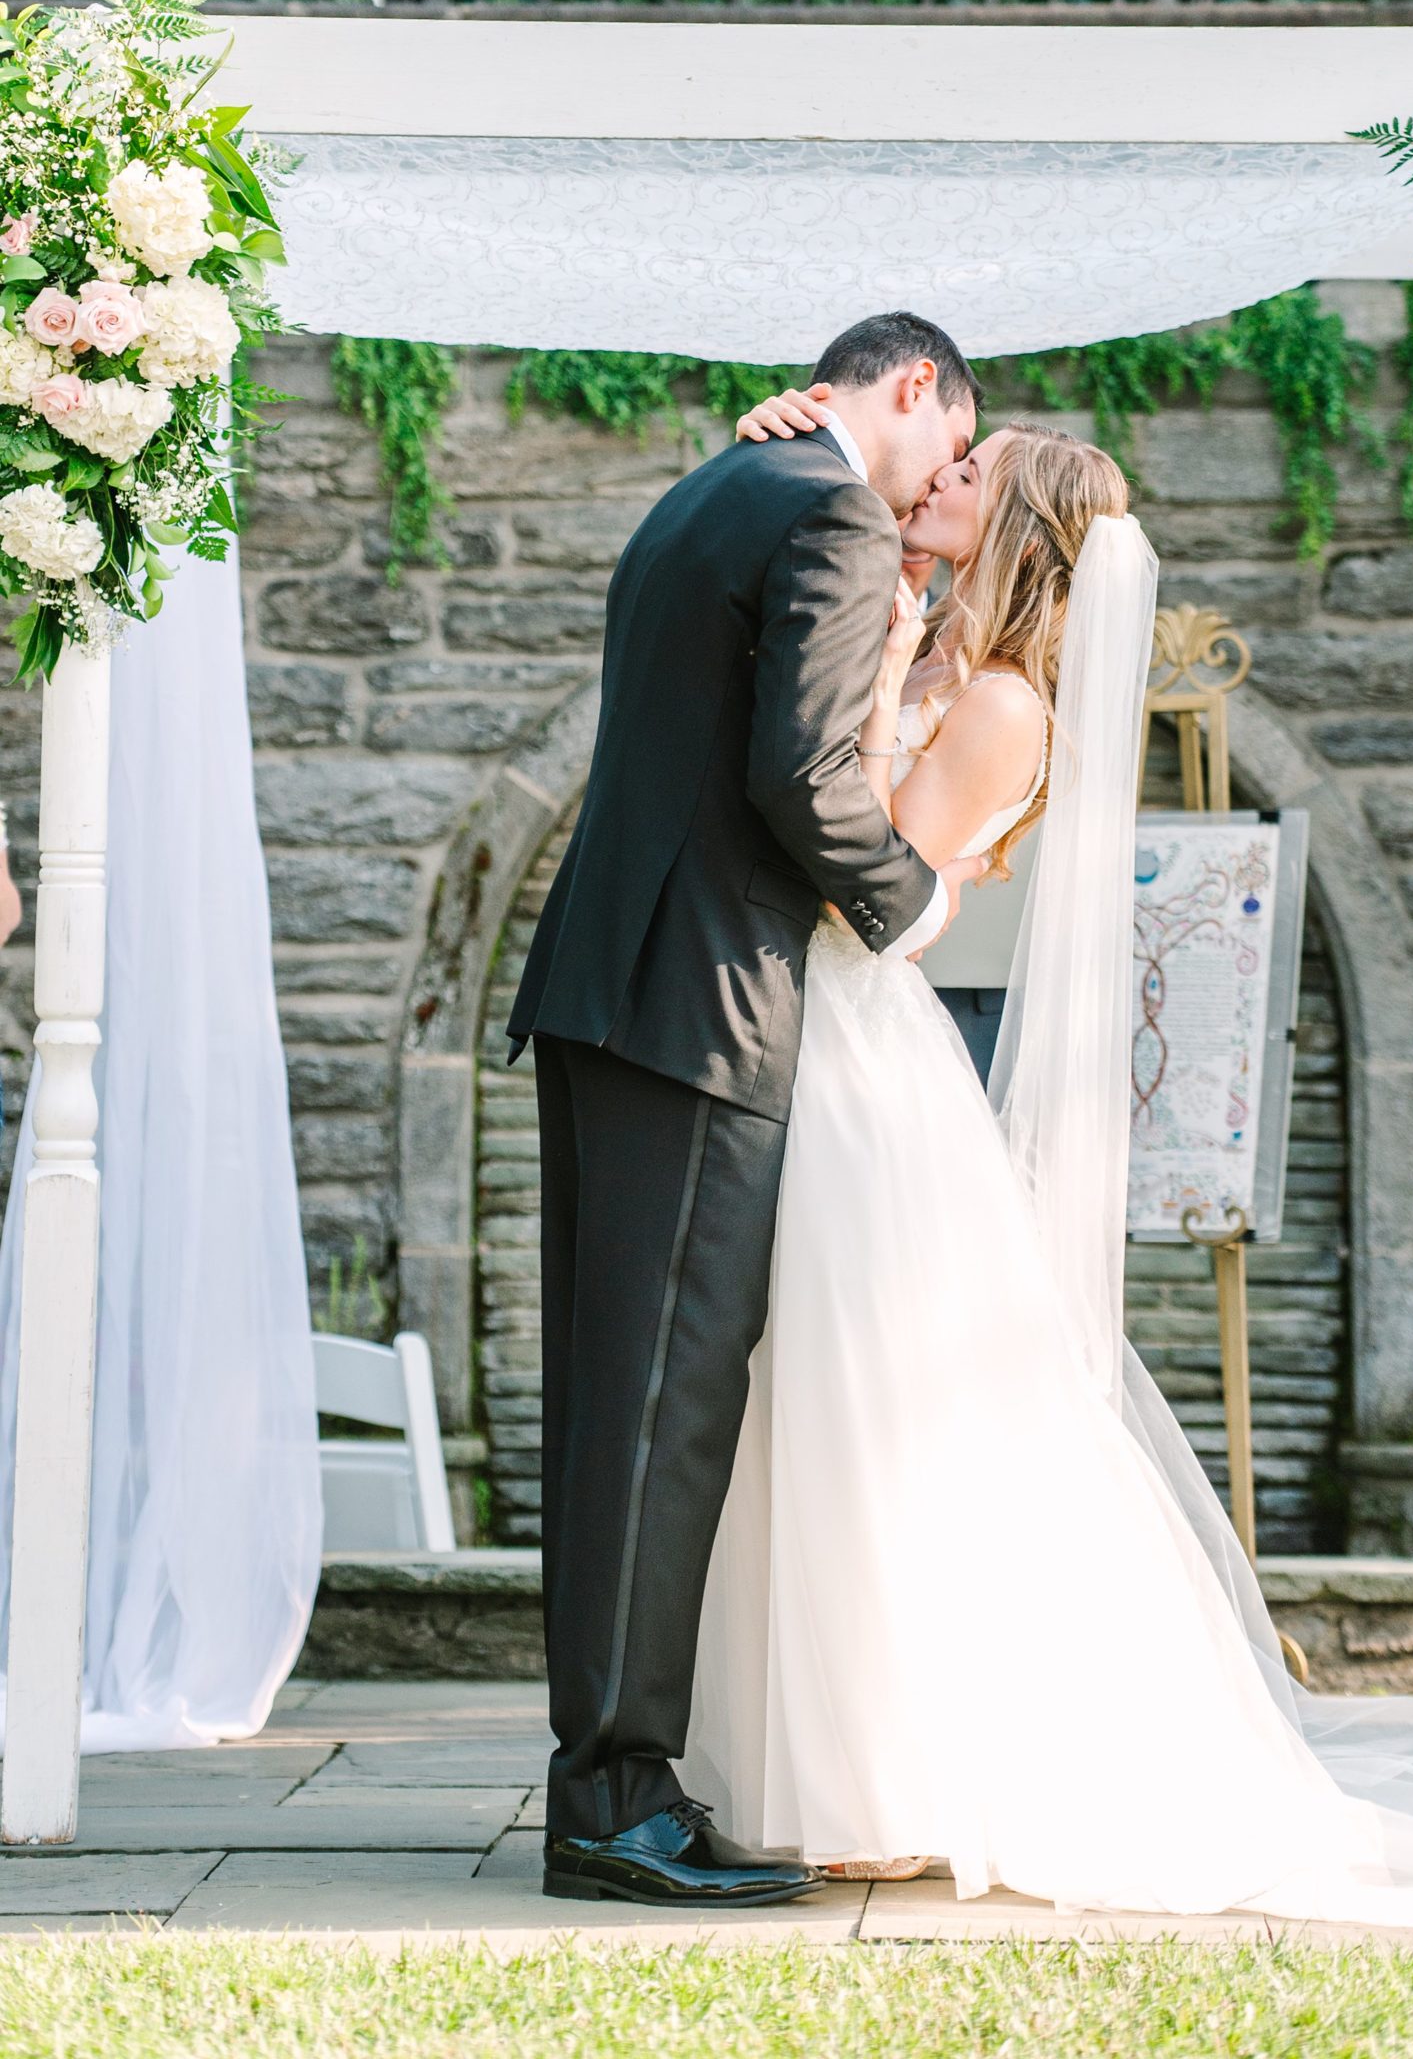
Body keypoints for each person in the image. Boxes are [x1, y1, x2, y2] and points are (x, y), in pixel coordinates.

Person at [675, 377, 1413, 1925]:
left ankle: (894, 1773)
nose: (944, 470)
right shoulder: (938, 638)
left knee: (864, 1401)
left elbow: (869, 873)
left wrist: (878, 676)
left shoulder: (1009, 700)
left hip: (863, 1057)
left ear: (1011, 521)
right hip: (831, 1052)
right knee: (812, 1404)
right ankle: (836, 1766)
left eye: (975, 469)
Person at [506, 312, 983, 1908]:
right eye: (951, 438)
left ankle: (608, 1777)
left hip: (608, 982)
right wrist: (912, 909)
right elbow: (800, 773)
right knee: (665, 1408)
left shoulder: (712, 487)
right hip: (705, 1001)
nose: (939, 483)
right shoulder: (831, 506)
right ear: (910, 384)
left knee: (613, 1403)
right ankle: (617, 1802)